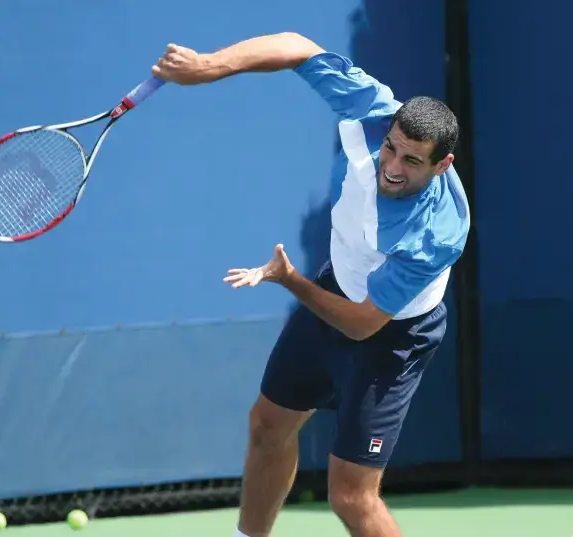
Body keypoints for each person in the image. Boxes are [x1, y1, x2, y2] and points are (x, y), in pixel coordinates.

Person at [152, 32, 470, 537]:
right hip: (336, 288)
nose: (391, 167)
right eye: (391, 148)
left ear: (442, 164)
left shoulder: (438, 233)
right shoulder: (371, 107)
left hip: (390, 338)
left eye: (411, 161)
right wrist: (210, 66)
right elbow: (297, 46)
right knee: (268, 426)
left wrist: (289, 280)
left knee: (350, 496)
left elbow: (364, 325)